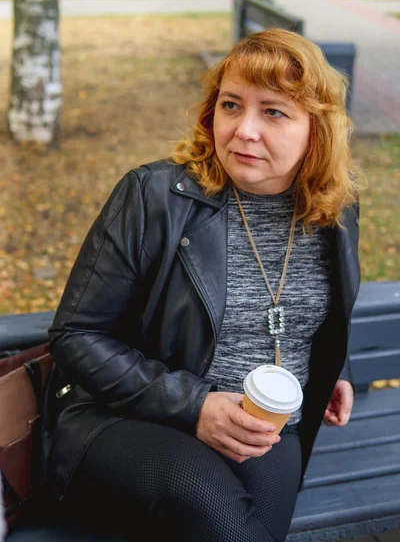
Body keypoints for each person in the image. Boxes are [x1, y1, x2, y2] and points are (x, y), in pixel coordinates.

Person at [41, 28, 362, 542]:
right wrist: (195, 406)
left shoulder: (333, 210)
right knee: (215, 511)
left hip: (267, 426)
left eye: (273, 111)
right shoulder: (154, 196)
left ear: (318, 130)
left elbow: (318, 308)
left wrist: (331, 366)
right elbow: (76, 336)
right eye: (232, 105)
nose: (243, 130)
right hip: (129, 416)